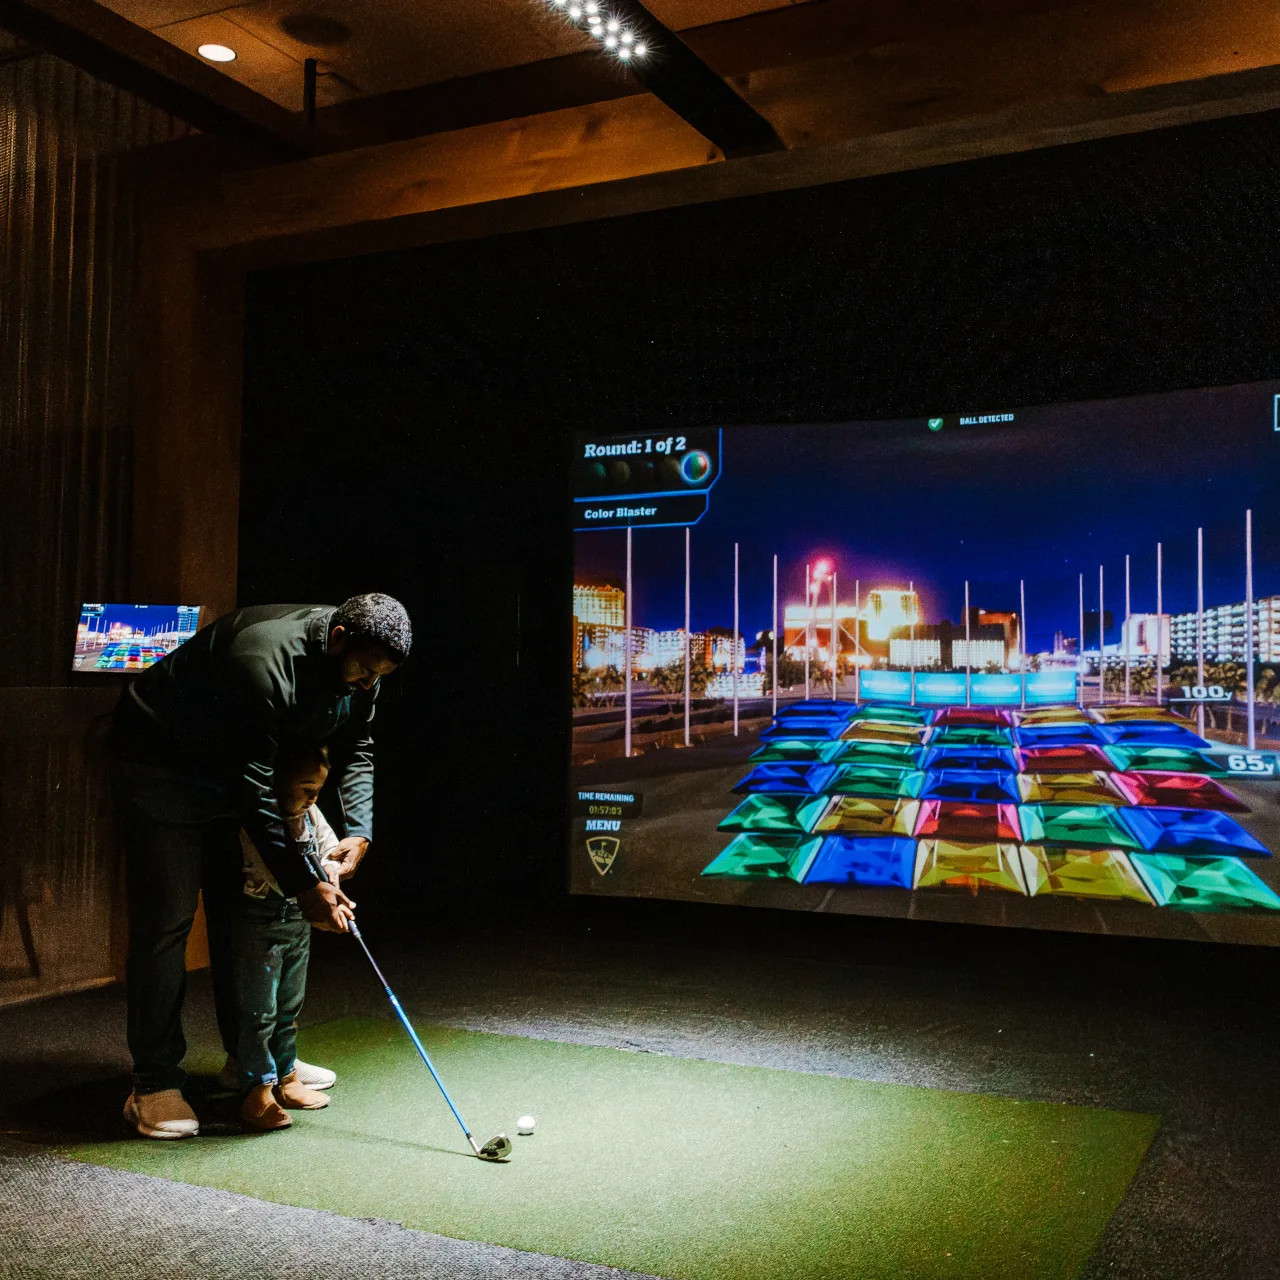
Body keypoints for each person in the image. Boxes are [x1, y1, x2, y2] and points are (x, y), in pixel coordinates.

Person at [109, 593, 412, 1139]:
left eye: (379, 677)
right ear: (338, 638)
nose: (368, 684)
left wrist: (359, 830)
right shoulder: (263, 658)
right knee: (168, 923)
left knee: (241, 915)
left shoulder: (363, 666)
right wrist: (303, 885)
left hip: (235, 771)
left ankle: (254, 1069)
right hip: (162, 769)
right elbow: (251, 788)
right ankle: (152, 1083)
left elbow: (357, 743)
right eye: (364, 671)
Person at [235, 739, 338, 1132]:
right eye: (306, 789)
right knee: (260, 1010)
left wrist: (333, 870)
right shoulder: (262, 822)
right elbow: (276, 875)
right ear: (279, 783)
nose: (313, 798)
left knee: (289, 1006)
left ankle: (288, 1078)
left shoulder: (310, 815)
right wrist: (319, 892)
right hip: (261, 921)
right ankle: (257, 1091)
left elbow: (327, 848)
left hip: (298, 921)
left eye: (318, 791)